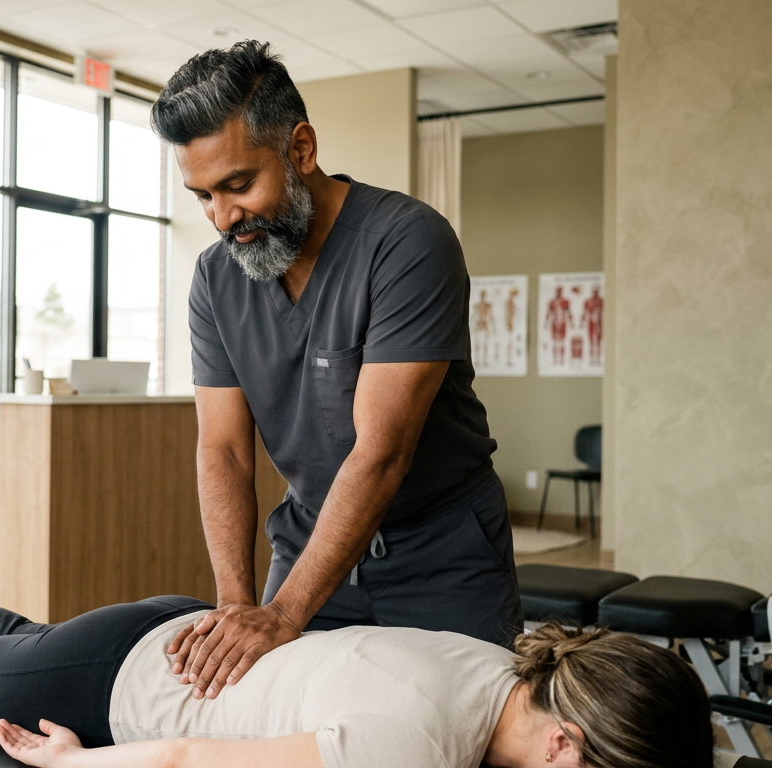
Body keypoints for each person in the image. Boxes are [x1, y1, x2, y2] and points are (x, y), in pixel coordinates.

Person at [152, 40, 520, 703]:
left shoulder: (407, 242)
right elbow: (226, 451)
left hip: (442, 553)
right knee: (272, 715)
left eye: (238, 185)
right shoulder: (215, 279)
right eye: (202, 195)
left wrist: (285, 615)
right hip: (308, 544)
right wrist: (237, 605)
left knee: (468, 731)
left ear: (300, 150)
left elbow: (382, 452)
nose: (223, 218)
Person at [0, 586, 715, 768]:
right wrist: (73, 766)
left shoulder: (502, 671)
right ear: (564, 743)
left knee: (14, 641)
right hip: (125, 688)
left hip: (172, 638)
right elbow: (175, 760)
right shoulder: (414, 745)